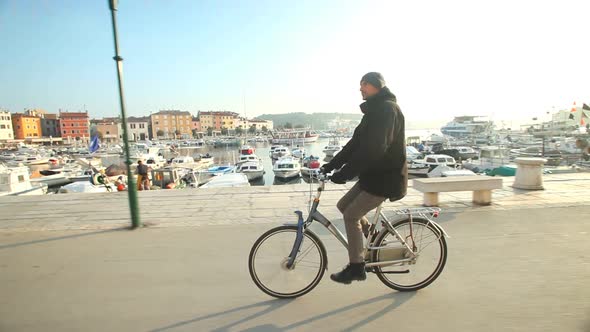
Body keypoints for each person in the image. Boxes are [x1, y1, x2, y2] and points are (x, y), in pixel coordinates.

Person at [321, 72, 408, 284]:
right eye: (361, 85)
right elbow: (355, 144)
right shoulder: (373, 111)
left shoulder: (387, 109)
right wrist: (332, 165)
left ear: (376, 86)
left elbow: (375, 148)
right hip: (373, 176)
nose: (361, 88)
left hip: (386, 178)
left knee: (351, 216)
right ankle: (372, 234)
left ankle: (356, 267)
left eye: (365, 85)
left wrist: (346, 173)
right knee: (343, 205)